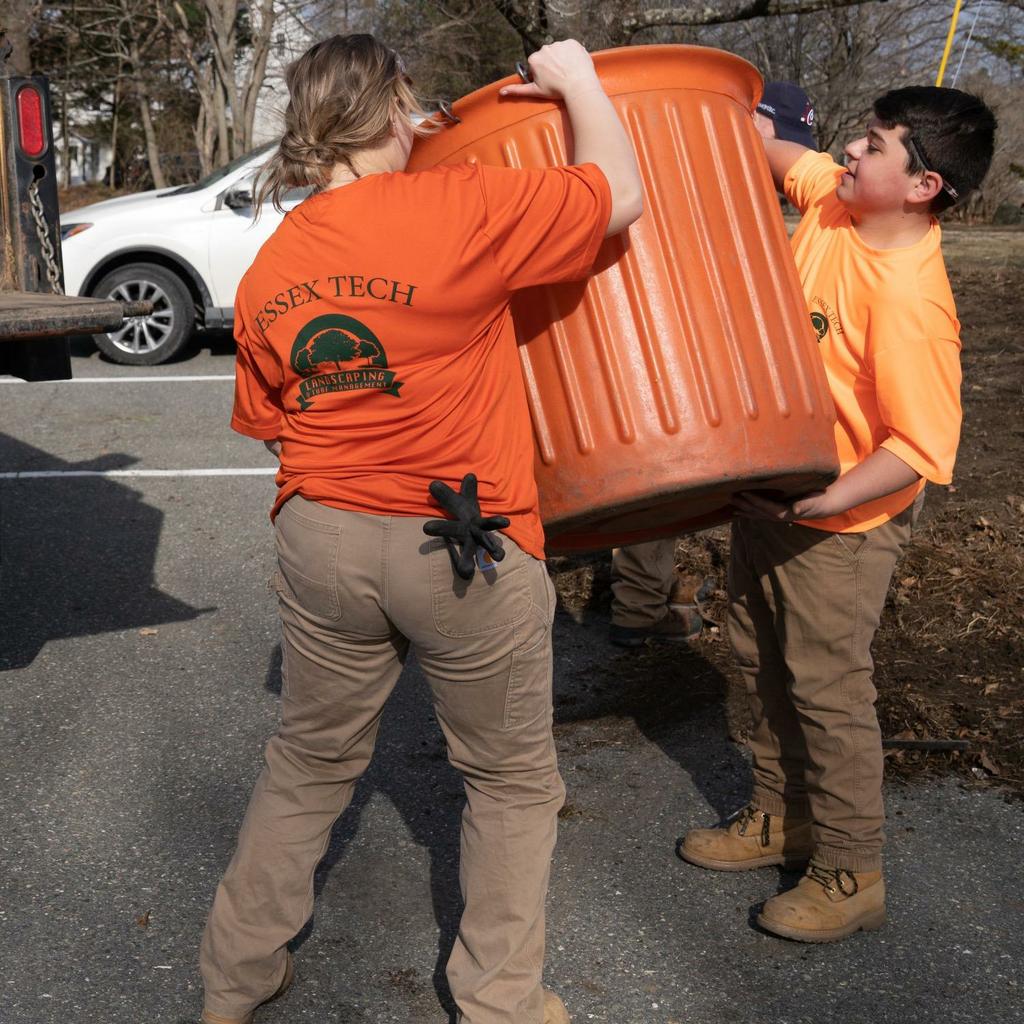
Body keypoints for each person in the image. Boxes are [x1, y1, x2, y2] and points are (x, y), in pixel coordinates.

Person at [198, 34, 642, 1024]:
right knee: (512, 780)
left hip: (319, 531)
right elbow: (617, 194)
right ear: (397, 106)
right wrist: (578, 83)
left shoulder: (275, 263)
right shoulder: (460, 204)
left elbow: (274, 425)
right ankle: (498, 1002)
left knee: (308, 763)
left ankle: (232, 982)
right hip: (461, 538)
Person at [679, 87, 996, 943]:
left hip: (842, 523)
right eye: (859, 138)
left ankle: (852, 869)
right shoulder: (833, 203)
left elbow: (921, 445)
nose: (852, 152)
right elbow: (770, 149)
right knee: (757, 662)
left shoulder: (910, 302)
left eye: (876, 145)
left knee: (828, 692)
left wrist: (826, 499)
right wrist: (705, 104)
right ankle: (782, 819)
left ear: (923, 186)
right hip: (775, 491)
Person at [608, 80, 817, 650]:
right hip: (671, 348)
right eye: (774, 137)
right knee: (667, 456)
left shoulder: (747, 191)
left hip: (720, 353)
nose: (781, 158)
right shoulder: (686, 174)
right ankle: (639, 605)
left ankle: (649, 588)